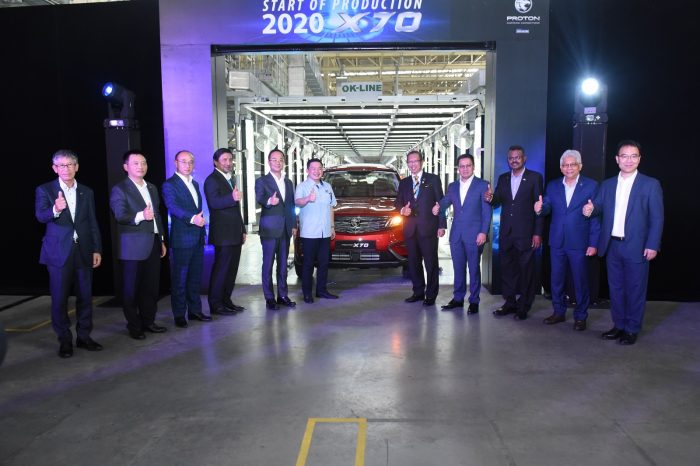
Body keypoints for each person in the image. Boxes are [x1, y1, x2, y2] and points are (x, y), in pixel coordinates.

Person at [583, 140, 663, 345]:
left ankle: (632, 328)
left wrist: (652, 244)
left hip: (637, 246)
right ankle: (618, 325)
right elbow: (598, 207)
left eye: (633, 156)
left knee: (635, 289)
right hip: (612, 246)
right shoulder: (608, 184)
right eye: (624, 156)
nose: (629, 160)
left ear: (639, 159)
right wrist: (590, 210)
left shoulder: (650, 184)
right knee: (616, 289)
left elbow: (657, 218)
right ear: (617, 159)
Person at [35, 149, 103, 358]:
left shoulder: (86, 191)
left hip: (83, 250)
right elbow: (40, 216)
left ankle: (84, 336)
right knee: (60, 298)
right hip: (58, 252)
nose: (66, 169)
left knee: (85, 296)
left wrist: (96, 249)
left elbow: (92, 222)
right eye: (61, 165)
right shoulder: (45, 189)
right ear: (54, 168)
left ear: (77, 167)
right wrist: (55, 209)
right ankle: (64, 340)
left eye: (70, 164)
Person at [535, 150, 600, 331]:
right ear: (561, 167)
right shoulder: (553, 185)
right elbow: (547, 207)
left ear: (580, 166)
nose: (569, 168)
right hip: (557, 241)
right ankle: (558, 312)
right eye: (565, 165)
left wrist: (593, 243)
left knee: (580, 281)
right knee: (556, 279)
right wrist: (540, 208)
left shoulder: (591, 186)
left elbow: (595, 217)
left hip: (579, 242)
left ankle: (580, 316)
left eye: (572, 165)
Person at [110, 150, 168, 340]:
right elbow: (120, 216)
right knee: (131, 290)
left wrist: (161, 239)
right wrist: (141, 215)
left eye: (143, 163)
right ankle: (134, 326)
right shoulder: (120, 189)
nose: (140, 166)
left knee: (151, 288)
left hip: (153, 243)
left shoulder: (151, 187)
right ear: (125, 167)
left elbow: (157, 216)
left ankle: (148, 321)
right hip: (132, 247)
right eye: (135, 163)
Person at [485, 145, 543, 320]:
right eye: (511, 158)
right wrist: (491, 198)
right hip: (506, 233)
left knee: (526, 271)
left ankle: (524, 306)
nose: (514, 160)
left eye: (517, 157)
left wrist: (537, 233)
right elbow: (498, 201)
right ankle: (510, 303)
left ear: (524, 158)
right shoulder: (503, 178)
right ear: (508, 160)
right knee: (508, 270)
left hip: (526, 233)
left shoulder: (534, 178)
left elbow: (539, 207)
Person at [435, 154, 491, 314]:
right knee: (458, 268)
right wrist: (437, 207)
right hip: (456, 235)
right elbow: (445, 203)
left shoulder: (483, 185)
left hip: (475, 235)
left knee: (474, 269)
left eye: (468, 165)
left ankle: (474, 301)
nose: (465, 169)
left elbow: (486, 212)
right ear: (458, 169)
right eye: (462, 166)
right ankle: (458, 299)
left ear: (473, 167)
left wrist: (483, 232)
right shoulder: (452, 186)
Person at [162, 150, 210, 328]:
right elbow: (173, 207)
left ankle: (195, 311)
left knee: (195, 278)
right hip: (182, 238)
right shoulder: (169, 184)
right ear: (176, 163)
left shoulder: (195, 184)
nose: (187, 165)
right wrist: (192, 219)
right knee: (180, 280)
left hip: (197, 237)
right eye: (183, 161)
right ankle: (179, 315)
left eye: (190, 162)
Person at [395, 150, 446, 306]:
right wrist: (402, 210)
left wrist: (442, 225)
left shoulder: (433, 179)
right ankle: (418, 292)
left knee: (431, 263)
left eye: (415, 161)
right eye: (409, 162)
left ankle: (431, 295)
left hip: (428, 228)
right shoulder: (404, 183)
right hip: (410, 229)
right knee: (413, 263)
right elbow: (397, 203)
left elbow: (440, 203)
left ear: (422, 162)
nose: (412, 164)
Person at [204, 148, 246, 316]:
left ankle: (226, 301)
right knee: (221, 270)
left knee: (231, 270)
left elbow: (236, 209)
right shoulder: (212, 180)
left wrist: (242, 229)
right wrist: (231, 198)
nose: (228, 163)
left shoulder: (230, 178)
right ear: (216, 162)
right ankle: (215, 304)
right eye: (224, 160)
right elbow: (214, 203)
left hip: (235, 233)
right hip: (223, 234)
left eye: (230, 159)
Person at [255, 149, 297, 310]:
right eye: (274, 159)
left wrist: (293, 225)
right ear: (269, 162)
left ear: (284, 162)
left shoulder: (288, 182)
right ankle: (269, 298)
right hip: (270, 229)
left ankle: (283, 295)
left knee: (283, 264)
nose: (278, 162)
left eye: (280, 160)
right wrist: (269, 201)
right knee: (268, 264)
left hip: (285, 229)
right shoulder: (262, 181)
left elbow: (291, 205)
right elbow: (259, 198)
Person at [294, 158, 338, 303]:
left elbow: (331, 207)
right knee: (308, 264)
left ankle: (321, 290)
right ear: (307, 170)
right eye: (313, 168)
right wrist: (308, 198)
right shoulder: (302, 186)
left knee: (324, 263)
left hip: (325, 232)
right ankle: (307, 293)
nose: (317, 171)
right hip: (309, 232)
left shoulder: (327, 186)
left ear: (322, 170)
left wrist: (332, 227)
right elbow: (297, 202)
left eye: (319, 168)